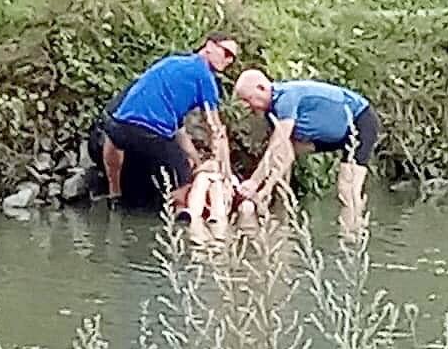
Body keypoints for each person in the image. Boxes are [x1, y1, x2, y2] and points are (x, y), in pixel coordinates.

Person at [103, 34, 238, 206]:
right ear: (209, 46)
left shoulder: (171, 62)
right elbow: (215, 129)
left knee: (114, 137)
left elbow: (179, 132)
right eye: (226, 53)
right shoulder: (205, 77)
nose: (228, 60)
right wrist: (222, 169)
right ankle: (178, 217)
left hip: (120, 127)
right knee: (185, 185)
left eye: (232, 58)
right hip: (151, 134)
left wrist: (197, 161)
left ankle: (114, 196)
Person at [233, 69, 381, 225]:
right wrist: (265, 189)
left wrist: (254, 182)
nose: (249, 106)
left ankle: (352, 234)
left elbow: (277, 145)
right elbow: (285, 154)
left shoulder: (285, 98)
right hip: (329, 133)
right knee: (285, 158)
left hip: (360, 120)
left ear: (261, 88)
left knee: (347, 189)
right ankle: (280, 216)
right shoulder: (272, 112)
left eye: (249, 99)